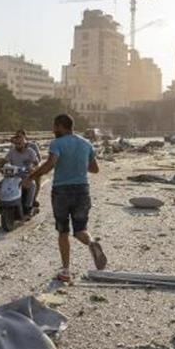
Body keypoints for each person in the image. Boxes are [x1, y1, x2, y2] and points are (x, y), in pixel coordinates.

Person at [23, 113, 108, 283]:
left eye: (55, 127)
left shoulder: (57, 143)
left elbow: (50, 164)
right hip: (82, 190)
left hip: (62, 191)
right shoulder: (86, 143)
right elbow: (94, 169)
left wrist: (31, 177)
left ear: (61, 126)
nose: (54, 130)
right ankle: (91, 243)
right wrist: (78, 163)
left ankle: (66, 271)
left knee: (63, 231)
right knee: (80, 229)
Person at [0, 129, 40, 217]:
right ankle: (1, 205)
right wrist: (0, 166)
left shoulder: (30, 151)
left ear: (24, 142)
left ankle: (28, 207)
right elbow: (5, 161)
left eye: (20, 143)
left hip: (25, 175)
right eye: (16, 143)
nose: (18, 145)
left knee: (32, 185)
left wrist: (32, 167)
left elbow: (36, 162)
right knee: (1, 184)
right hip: (13, 175)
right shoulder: (12, 152)